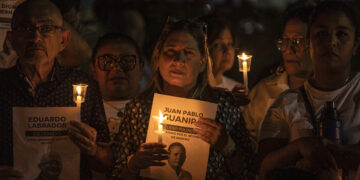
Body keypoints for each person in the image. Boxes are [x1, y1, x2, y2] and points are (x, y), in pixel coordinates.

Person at [111, 18, 256, 179]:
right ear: (158, 57)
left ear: (202, 62)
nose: (178, 60)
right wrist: (133, 164)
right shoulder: (138, 109)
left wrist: (228, 147)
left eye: (188, 53)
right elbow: (116, 174)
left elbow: (249, 172)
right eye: (170, 51)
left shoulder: (224, 107)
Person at [0, 0, 112, 179]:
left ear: (64, 40)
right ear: (11, 39)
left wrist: (94, 149)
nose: (35, 38)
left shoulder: (83, 86)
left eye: (46, 28)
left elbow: (108, 162)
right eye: (25, 28)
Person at [259, 1, 360, 179]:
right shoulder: (286, 104)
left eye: (342, 34)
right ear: (309, 43)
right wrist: (299, 147)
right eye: (321, 34)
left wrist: (338, 154)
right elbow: (263, 169)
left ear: (356, 45)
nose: (331, 41)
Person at [243, 1, 314, 143]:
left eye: (298, 41)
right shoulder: (263, 92)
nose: (289, 49)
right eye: (285, 41)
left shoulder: (331, 93)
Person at [91, 33, 144, 142]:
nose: (116, 68)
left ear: (141, 67)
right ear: (93, 69)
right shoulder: (84, 114)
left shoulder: (155, 113)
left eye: (126, 61)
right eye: (107, 61)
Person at [205, 17, 239, 90]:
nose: (228, 51)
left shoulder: (236, 90)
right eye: (218, 45)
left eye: (230, 44)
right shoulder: (191, 91)